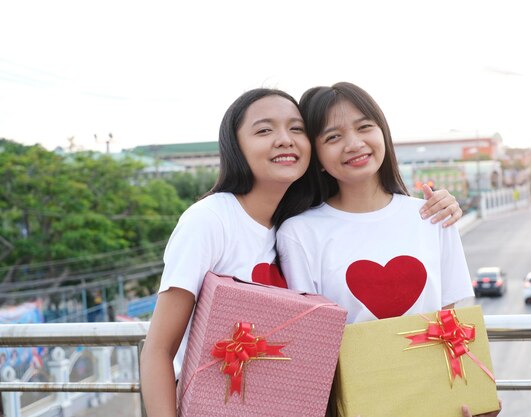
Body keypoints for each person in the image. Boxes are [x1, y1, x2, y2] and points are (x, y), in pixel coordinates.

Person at [140, 87, 463, 417]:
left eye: (296, 129)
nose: (284, 139)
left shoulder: (286, 226)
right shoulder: (211, 219)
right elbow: (159, 349)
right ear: (236, 146)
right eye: (265, 130)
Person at [277, 82, 500, 417]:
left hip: (436, 403)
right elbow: (313, 346)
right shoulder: (299, 233)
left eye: (364, 127)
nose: (354, 143)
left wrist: (473, 398)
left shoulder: (431, 215)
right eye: (333, 137)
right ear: (317, 156)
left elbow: (450, 323)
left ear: (383, 133)